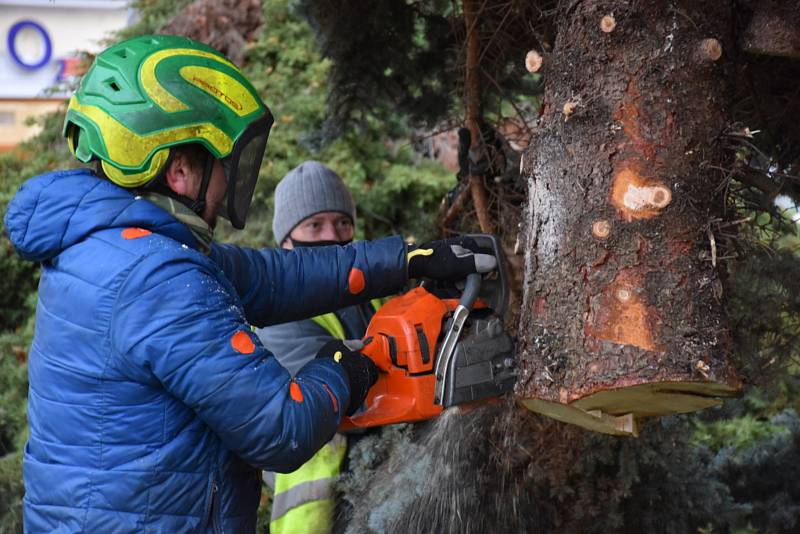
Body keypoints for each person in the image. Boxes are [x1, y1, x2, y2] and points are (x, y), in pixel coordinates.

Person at [3, 35, 496, 533]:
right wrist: (347, 367)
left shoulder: (113, 248)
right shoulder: (156, 277)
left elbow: (276, 277)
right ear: (180, 171)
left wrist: (408, 260)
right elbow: (282, 428)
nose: (227, 184)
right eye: (223, 167)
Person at [257, 161, 380, 533]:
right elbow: (340, 393)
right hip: (317, 504)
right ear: (286, 240)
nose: (332, 235)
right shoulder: (276, 310)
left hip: (364, 487)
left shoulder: (361, 294)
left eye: (342, 223)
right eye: (315, 225)